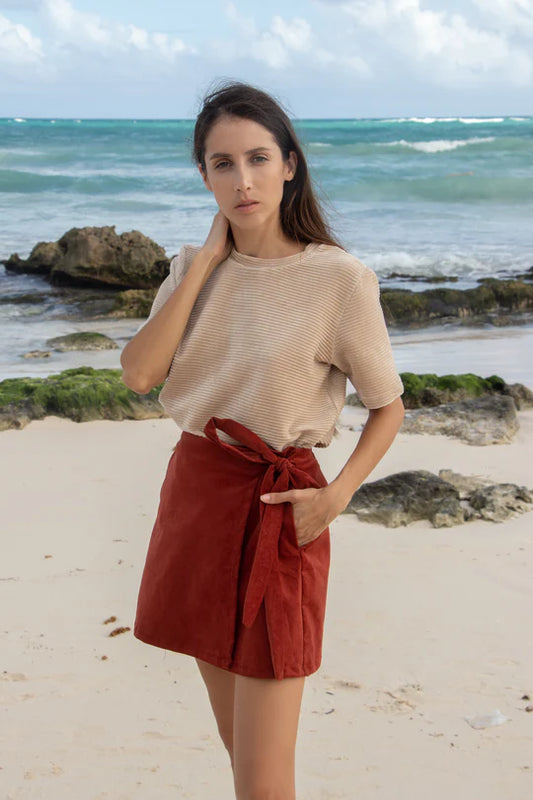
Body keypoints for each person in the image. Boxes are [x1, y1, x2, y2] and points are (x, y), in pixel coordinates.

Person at [120, 79, 405, 800]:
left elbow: (388, 406)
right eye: (222, 163)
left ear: (288, 164)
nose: (241, 181)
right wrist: (207, 265)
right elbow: (139, 373)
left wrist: (335, 496)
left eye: (256, 158)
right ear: (204, 174)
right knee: (238, 753)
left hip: (284, 509)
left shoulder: (338, 279)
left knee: (263, 781)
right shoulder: (190, 270)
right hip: (196, 498)